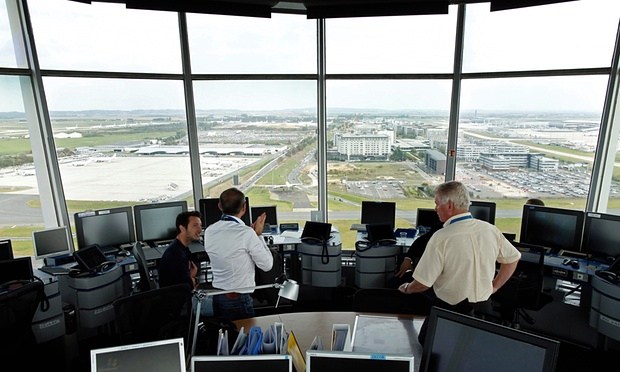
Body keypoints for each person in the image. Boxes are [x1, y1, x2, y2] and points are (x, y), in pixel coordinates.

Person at [398, 181, 521, 345]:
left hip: (450, 310)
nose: (435, 209)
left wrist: (407, 289)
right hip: (485, 308)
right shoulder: (490, 230)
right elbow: (512, 258)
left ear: (449, 205)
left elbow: (422, 284)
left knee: (428, 344)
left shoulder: (442, 237)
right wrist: (495, 286)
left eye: (437, 203)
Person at [203, 187, 274, 320]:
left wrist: (252, 235)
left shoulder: (209, 231)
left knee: (224, 337)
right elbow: (267, 265)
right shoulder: (246, 233)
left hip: (218, 296)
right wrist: (258, 235)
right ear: (244, 208)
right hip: (238, 299)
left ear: (219, 206)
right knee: (243, 339)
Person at [158, 210, 202, 292]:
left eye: (200, 225)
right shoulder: (176, 255)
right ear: (182, 228)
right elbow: (187, 287)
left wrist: (191, 277)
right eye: (195, 226)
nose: (200, 230)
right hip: (177, 301)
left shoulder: (181, 248)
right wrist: (193, 278)